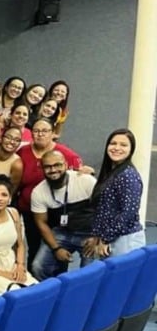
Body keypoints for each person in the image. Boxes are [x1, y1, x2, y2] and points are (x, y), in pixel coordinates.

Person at [17, 119, 86, 267]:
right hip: (30, 210)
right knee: (34, 250)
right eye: (36, 131)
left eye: (44, 131)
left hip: (57, 211)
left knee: (58, 252)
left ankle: (58, 282)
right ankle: (36, 285)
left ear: (52, 133)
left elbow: (81, 172)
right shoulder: (22, 152)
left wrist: (88, 172)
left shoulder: (66, 154)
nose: (40, 134)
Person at [29, 150, 96, 280]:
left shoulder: (86, 181)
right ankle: (53, 296)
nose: (53, 170)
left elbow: (103, 209)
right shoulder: (38, 192)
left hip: (89, 233)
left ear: (66, 165)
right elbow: (41, 222)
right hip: (61, 233)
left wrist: (97, 237)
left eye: (57, 165)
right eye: (48, 167)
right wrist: (56, 248)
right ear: (42, 169)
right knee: (38, 267)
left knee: (90, 273)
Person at [85, 129, 145, 259]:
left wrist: (106, 239)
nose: (117, 148)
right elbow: (103, 209)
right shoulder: (111, 172)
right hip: (112, 238)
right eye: (113, 143)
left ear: (131, 150)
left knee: (124, 279)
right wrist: (97, 235)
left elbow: (127, 213)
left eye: (123, 145)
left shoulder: (128, 175)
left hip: (125, 240)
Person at [0, 125, 24, 192]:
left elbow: (11, 191)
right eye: (8, 137)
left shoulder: (17, 164)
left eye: (17, 140)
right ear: (1, 138)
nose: (12, 142)